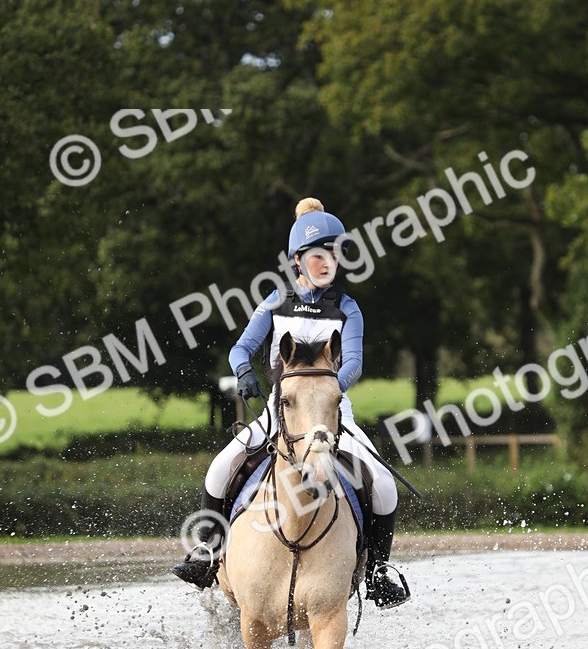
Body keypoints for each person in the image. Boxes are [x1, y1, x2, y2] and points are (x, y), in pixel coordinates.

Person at [172, 197, 410, 609]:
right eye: (319, 255)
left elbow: (353, 362)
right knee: (218, 469)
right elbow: (240, 349)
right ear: (298, 260)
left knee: (384, 485)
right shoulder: (275, 302)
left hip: (333, 413)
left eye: (334, 255)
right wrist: (244, 372)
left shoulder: (347, 308)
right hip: (279, 411)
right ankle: (208, 553)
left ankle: (378, 573)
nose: (327, 263)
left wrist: (327, 390)